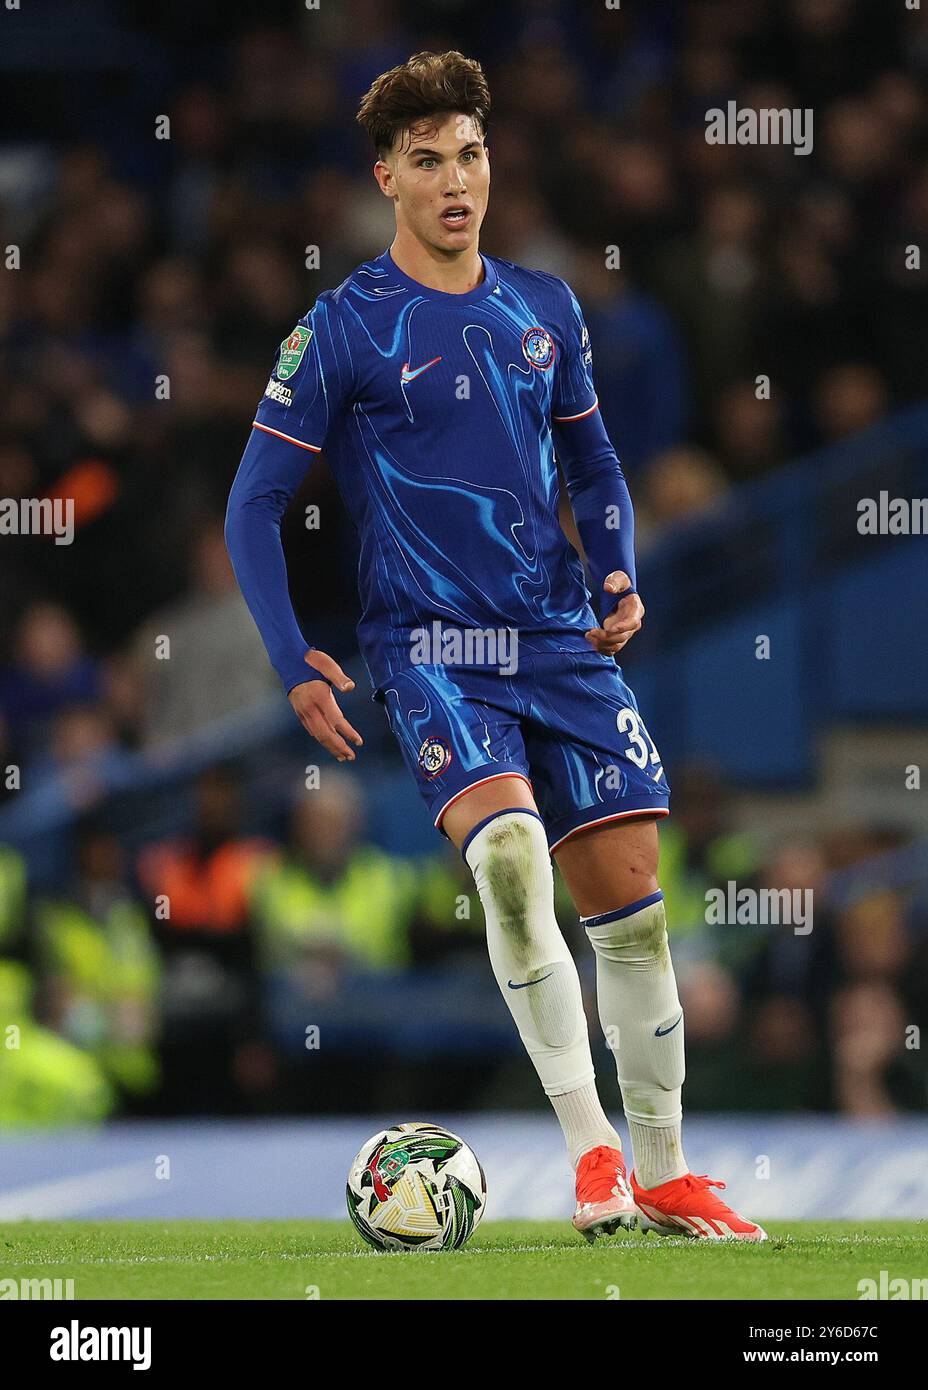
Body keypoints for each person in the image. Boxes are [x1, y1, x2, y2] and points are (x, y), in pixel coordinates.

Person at [225, 50, 764, 1241]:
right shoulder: (344, 327)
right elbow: (253, 501)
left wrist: (616, 564)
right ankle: (590, 1155)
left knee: (634, 917)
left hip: (558, 640)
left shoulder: (544, 306)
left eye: (468, 154)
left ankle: (666, 1169)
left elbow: (598, 464)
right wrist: (288, 650)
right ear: (387, 179)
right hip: (426, 646)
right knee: (512, 863)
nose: (454, 180)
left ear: (489, 161)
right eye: (426, 162)